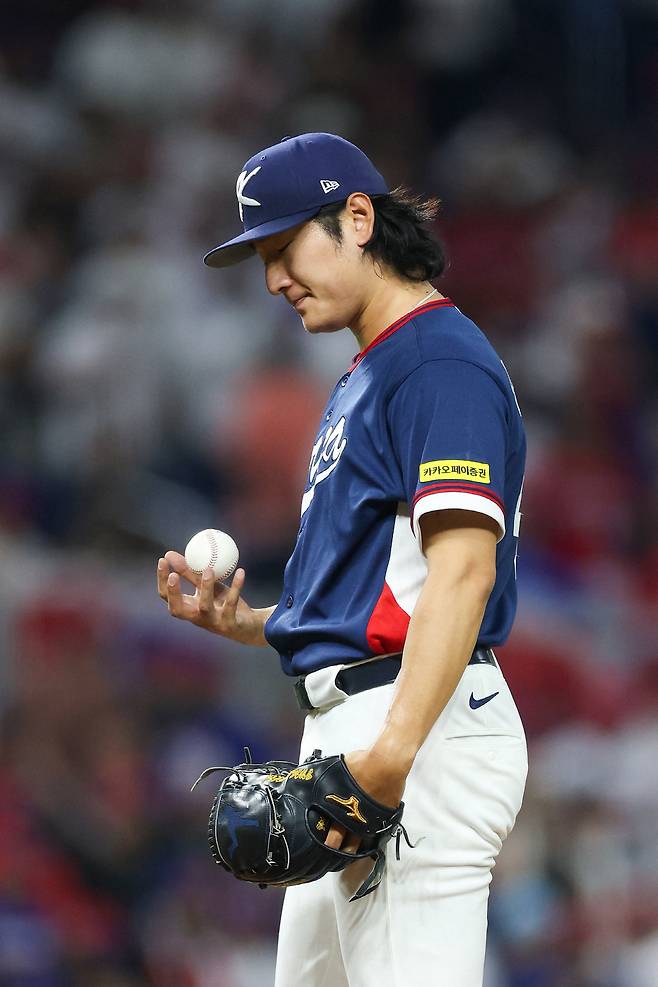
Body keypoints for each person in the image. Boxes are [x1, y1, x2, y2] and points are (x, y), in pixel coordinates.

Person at [157, 133, 528, 987]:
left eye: (285, 248)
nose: (273, 279)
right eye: (263, 257)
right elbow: (374, 597)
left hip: (415, 729)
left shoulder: (438, 362)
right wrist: (249, 623)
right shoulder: (372, 372)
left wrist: (389, 760)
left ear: (358, 218)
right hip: (358, 725)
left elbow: (462, 573)